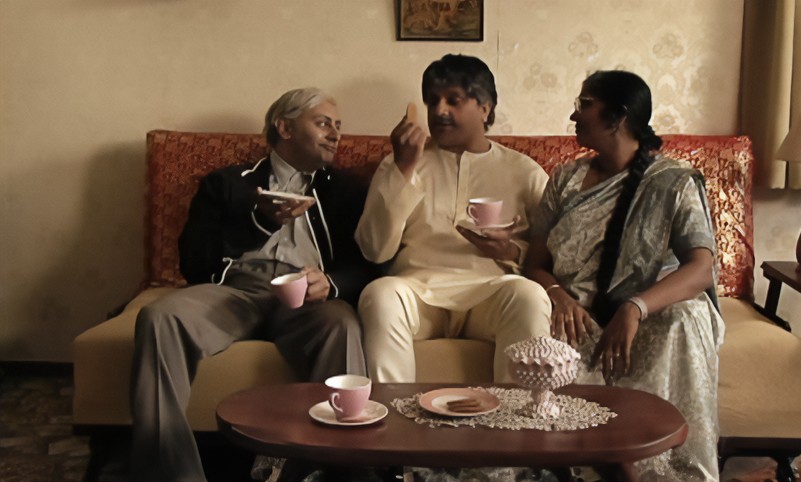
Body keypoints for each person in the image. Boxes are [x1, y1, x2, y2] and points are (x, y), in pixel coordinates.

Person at [130, 88, 372, 482]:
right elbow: (194, 262)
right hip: (235, 291)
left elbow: (369, 263)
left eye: (338, 126)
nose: (335, 134)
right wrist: (260, 222)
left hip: (307, 300)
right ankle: (170, 473)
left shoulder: (344, 190)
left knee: (341, 325)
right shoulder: (226, 184)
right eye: (323, 122)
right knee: (159, 318)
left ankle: (341, 471)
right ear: (285, 127)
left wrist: (329, 283)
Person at [523, 70, 723, 481]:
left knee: (686, 319)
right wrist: (559, 295)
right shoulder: (565, 179)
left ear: (616, 118)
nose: (573, 115)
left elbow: (701, 268)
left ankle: (665, 469)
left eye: (584, 105)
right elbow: (534, 263)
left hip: (648, 310)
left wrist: (634, 308)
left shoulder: (673, 181)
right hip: (575, 312)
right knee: (538, 335)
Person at [356, 54, 552, 383]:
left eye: (453, 100)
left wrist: (512, 253)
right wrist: (403, 170)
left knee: (529, 296)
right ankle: (392, 421)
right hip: (418, 290)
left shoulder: (524, 172)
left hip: (490, 292)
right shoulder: (401, 162)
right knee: (380, 294)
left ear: (485, 108)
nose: (439, 111)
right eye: (432, 101)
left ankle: (520, 424)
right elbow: (375, 250)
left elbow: (553, 251)